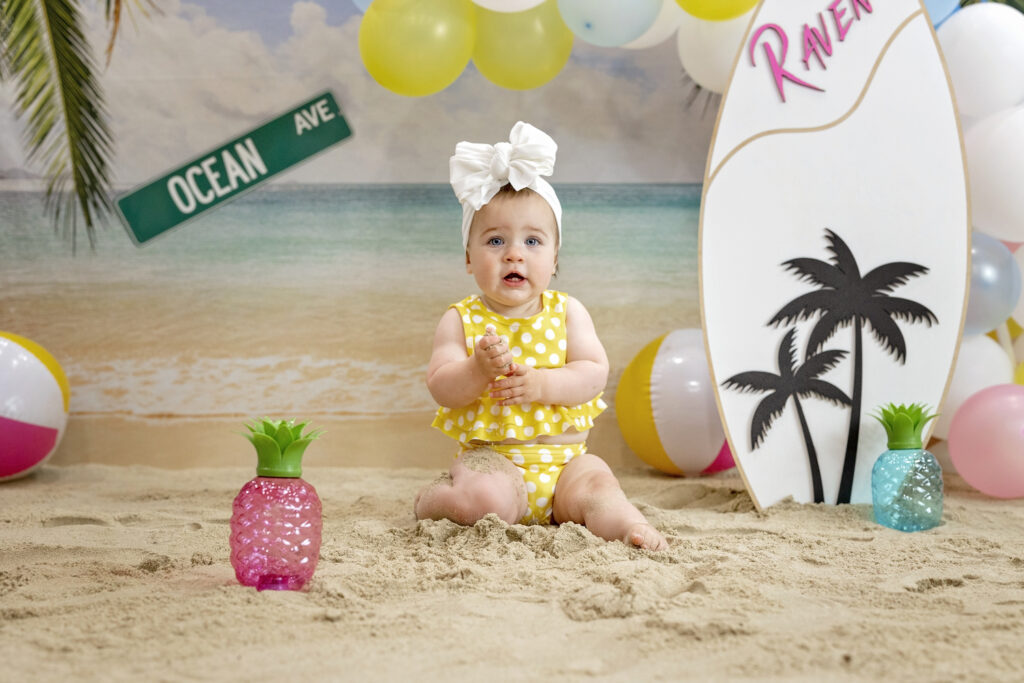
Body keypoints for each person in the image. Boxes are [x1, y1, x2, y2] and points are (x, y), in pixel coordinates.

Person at [414, 122, 668, 551]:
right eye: (495, 240)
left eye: (533, 241)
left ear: (554, 260)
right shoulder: (461, 319)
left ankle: (628, 528)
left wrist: (540, 383)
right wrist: (476, 369)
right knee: (482, 500)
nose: (514, 253)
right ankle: (431, 502)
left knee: (599, 487)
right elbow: (442, 387)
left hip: (566, 464)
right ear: (469, 259)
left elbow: (593, 373)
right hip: (494, 462)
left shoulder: (568, 312)